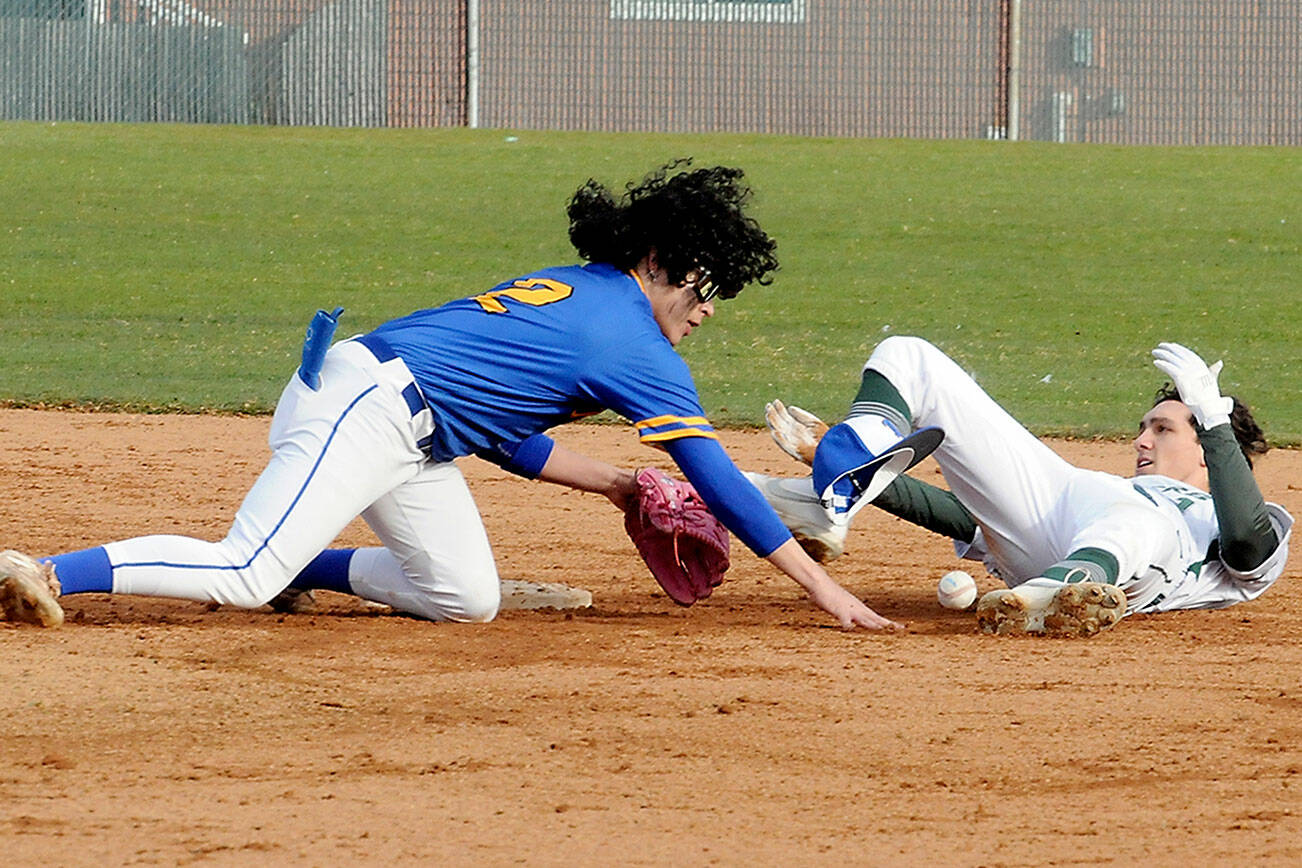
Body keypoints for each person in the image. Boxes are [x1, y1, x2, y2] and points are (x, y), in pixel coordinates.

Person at [0, 161, 905, 631]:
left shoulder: (591, 292)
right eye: (701, 289)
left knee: (463, 597)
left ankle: (300, 568)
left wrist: (623, 488)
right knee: (241, 570)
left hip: (404, 422)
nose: (706, 312)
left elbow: (497, 431)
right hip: (365, 406)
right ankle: (41, 571)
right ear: (659, 265)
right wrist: (822, 589)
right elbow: (722, 484)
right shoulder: (633, 339)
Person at [747, 336, 1293, 636]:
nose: (1142, 441)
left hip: (1127, 560)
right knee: (909, 355)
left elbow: (1246, 546)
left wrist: (1214, 420)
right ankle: (848, 467)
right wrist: (857, 476)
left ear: (1209, 451)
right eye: (1144, 426)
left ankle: (1057, 590)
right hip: (1070, 506)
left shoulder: (1231, 518)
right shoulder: (1105, 484)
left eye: (1164, 428)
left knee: (1141, 522)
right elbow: (968, 516)